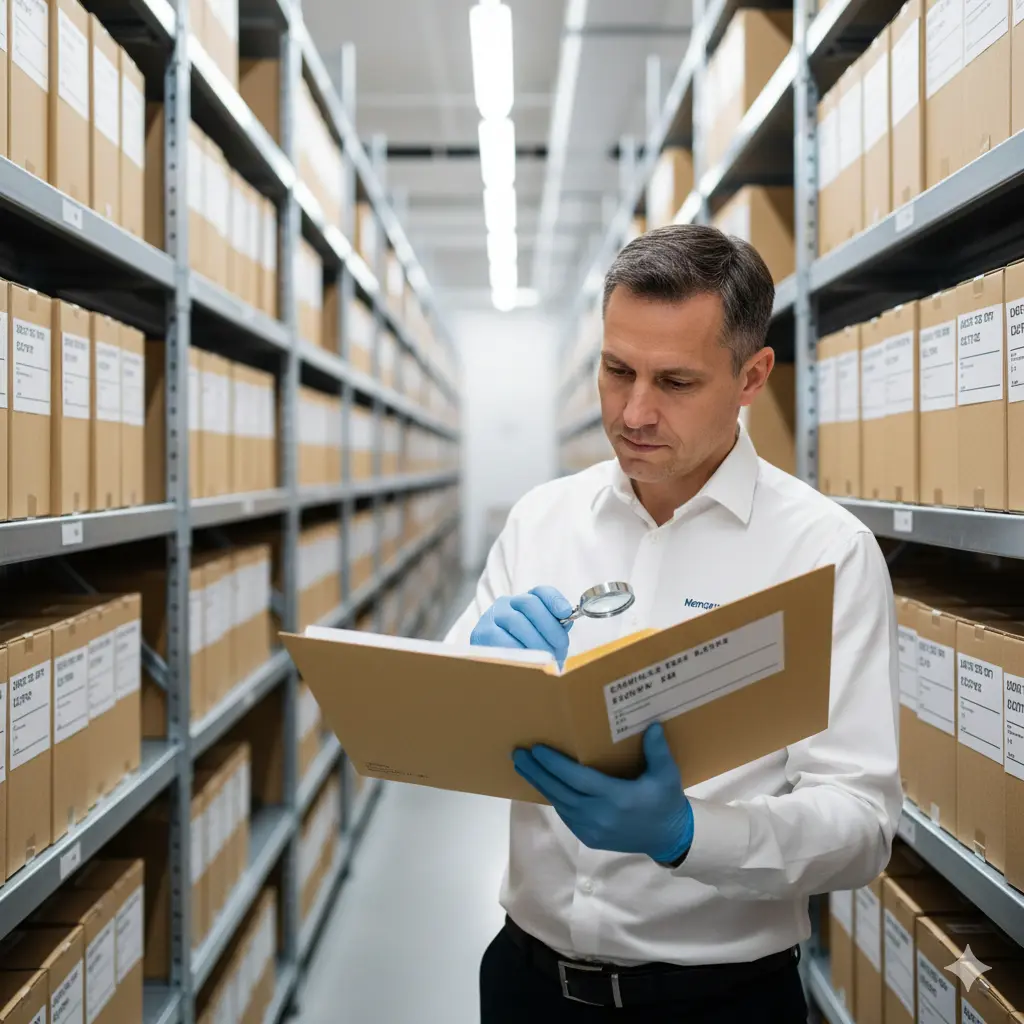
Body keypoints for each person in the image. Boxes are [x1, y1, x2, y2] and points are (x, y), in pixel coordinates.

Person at [445, 224, 901, 1022]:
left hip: (717, 1000)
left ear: (752, 376)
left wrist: (692, 833)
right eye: (616, 370)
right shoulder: (543, 519)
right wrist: (471, 674)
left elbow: (861, 824)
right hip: (526, 984)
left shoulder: (825, 553)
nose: (634, 411)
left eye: (677, 382)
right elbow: (442, 719)